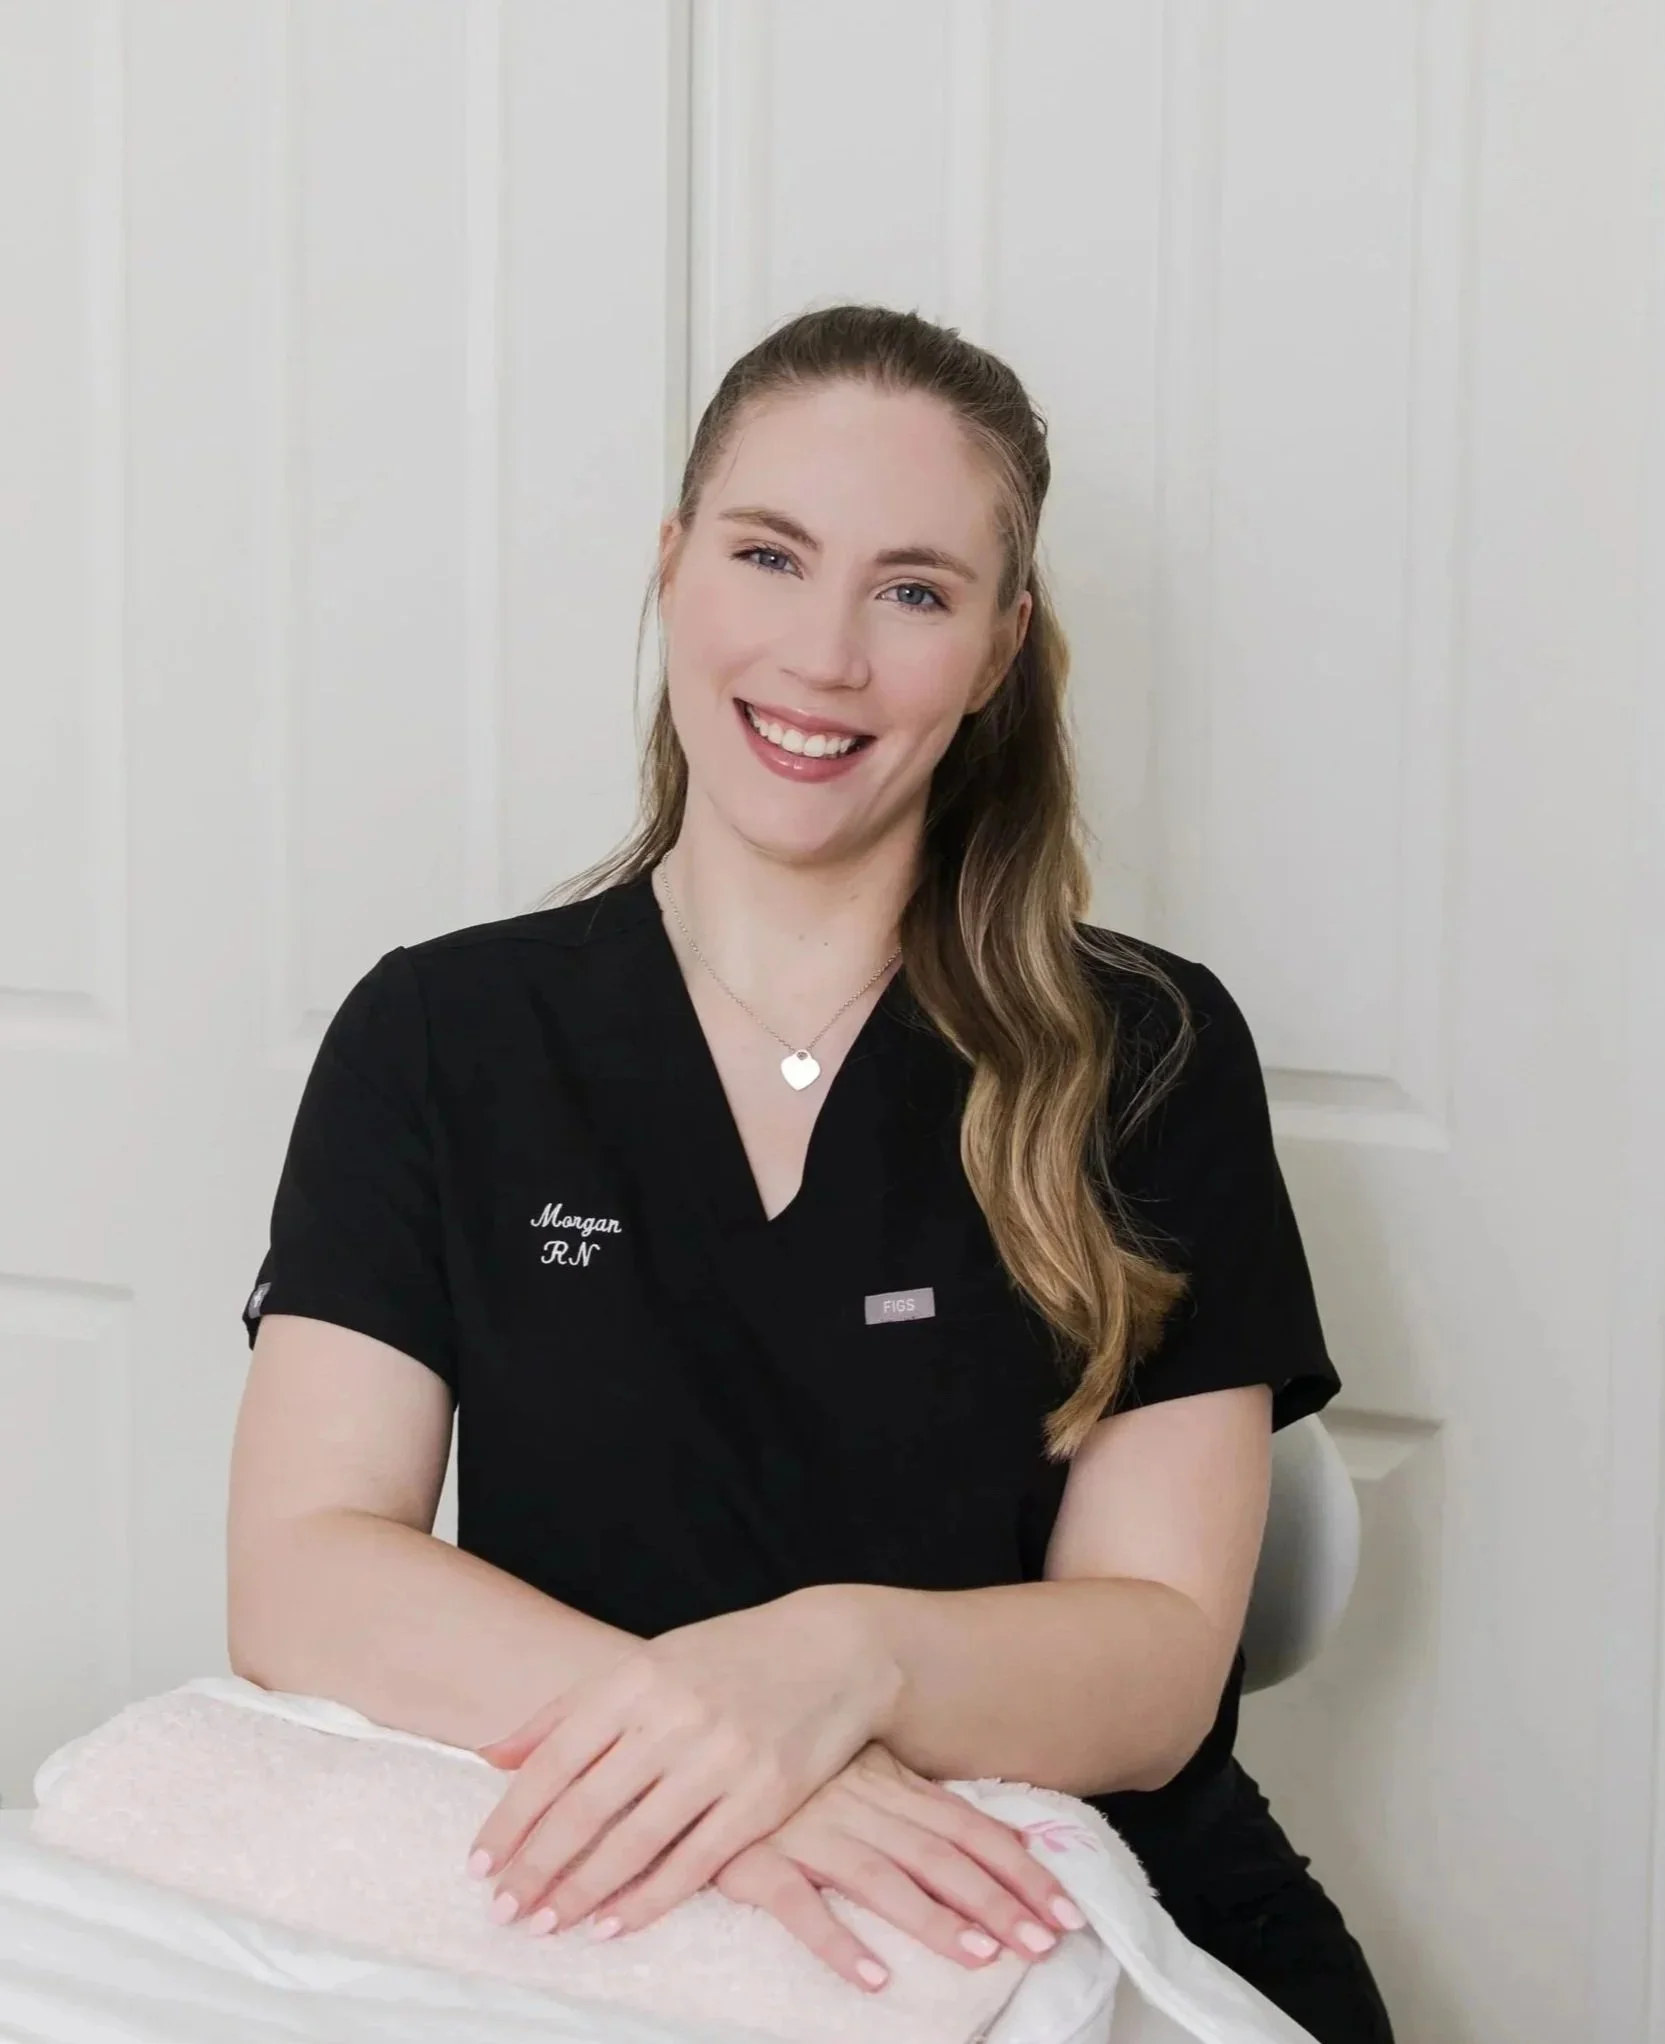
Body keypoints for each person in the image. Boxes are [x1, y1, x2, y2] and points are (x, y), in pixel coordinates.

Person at [228, 303, 1394, 2042]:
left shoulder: (1144, 1053)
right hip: (617, 1905)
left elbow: (1154, 1669)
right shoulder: (442, 1036)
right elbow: (303, 1568)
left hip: (1084, 1904)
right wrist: (723, 1752)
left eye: (914, 591)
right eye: (771, 556)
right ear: (675, 567)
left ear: (1001, 649)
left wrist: (843, 1664)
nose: (825, 655)